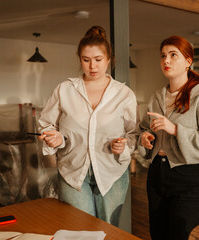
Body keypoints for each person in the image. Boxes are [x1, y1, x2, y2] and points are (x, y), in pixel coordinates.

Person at [37, 25, 137, 227]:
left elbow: (133, 133)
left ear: (109, 60)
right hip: (72, 172)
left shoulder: (124, 94)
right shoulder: (64, 90)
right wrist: (53, 136)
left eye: (98, 60)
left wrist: (124, 146)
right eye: (86, 60)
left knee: (108, 229)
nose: (93, 67)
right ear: (79, 60)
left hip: (112, 173)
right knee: (79, 230)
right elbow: (46, 125)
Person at [138, 36, 199, 240]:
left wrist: (176, 129)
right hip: (157, 173)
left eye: (173, 55)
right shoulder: (156, 97)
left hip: (189, 176)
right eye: (163, 56)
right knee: (158, 234)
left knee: (183, 235)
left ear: (188, 61)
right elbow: (143, 128)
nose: (166, 61)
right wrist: (145, 137)